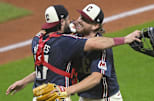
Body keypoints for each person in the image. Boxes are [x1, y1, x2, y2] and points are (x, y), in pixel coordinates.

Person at [6, 4, 140, 101]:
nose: (79, 21)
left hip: (105, 98)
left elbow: (95, 79)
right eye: (81, 17)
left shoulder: (102, 45)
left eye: (85, 20)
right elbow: (53, 66)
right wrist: (25, 81)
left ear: (95, 26)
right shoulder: (74, 40)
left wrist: (67, 90)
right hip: (84, 97)